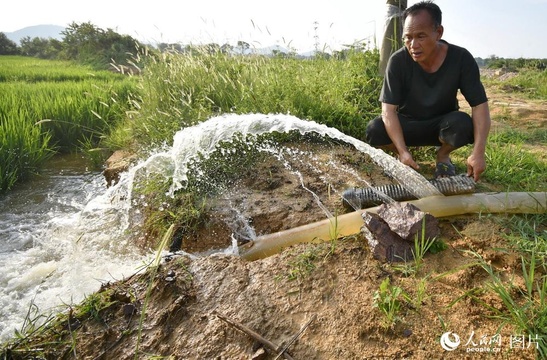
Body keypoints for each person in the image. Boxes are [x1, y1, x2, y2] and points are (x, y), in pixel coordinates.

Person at [365, 0, 491, 181]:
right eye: (408, 37)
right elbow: (388, 111)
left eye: (421, 36)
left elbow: (480, 106)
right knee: (375, 129)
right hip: (407, 124)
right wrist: (402, 151)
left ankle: (443, 156)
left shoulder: (461, 58)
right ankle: (406, 157)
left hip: (442, 125)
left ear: (438, 32)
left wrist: (479, 153)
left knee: (463, 124)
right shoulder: (398, 61)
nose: (413, 44)